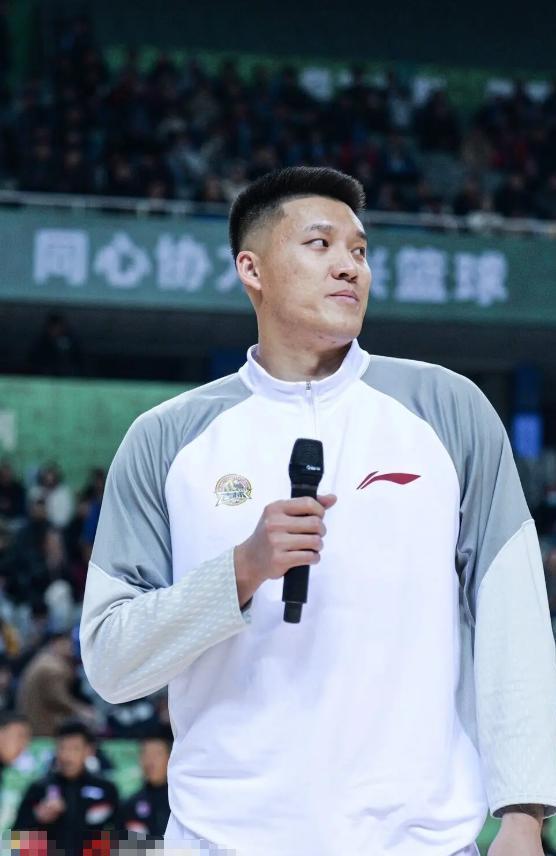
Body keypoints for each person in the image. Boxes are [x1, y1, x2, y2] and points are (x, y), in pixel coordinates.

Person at [80, 166, 556, 856]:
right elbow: (111, 662)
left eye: (359, 250)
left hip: (419, 843)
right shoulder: (167, 439)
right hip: (223, 840)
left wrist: (523, 813)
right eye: (319, 244)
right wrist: (240, 572)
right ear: (252, 269)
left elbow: (513, 618)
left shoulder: (447, 410)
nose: (348, 266)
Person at [13, 719, 119, 855]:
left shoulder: (106, 789)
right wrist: (38, 818)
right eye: (62, 748)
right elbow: (15, 842)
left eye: (74, 749)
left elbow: (121, 833)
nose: (67, 756)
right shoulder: (38, 788)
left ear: (89, 751)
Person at [17, 632, 96, 736]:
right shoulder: (52, 668)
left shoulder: (43, 660)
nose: (70, 648)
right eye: (66, 643)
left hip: (32, 721)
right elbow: (57, 699)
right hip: (43, 726)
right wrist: (81, 711)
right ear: (56, 644)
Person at [122, 726, 172, 838]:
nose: (150, 761)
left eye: (157, 754)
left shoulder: (183, 801)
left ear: (170, 757)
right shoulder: (130, 804)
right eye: (145, 754)